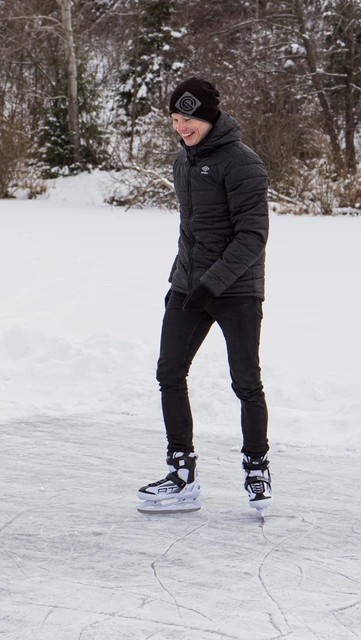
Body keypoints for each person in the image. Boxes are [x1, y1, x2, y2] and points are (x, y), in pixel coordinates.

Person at [137, 78, 272, 517]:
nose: (181, 128)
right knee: (169, 372)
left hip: (235, 290)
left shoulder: (243, 163)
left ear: (210, 116)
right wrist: (182, 278)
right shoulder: (184, 161)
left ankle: (256, 467)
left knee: (245, 382)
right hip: (188, 287)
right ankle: (181, 471)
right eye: (175, 120)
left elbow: (253, 235)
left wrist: (212, 282)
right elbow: (191, 230)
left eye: (188, 119)